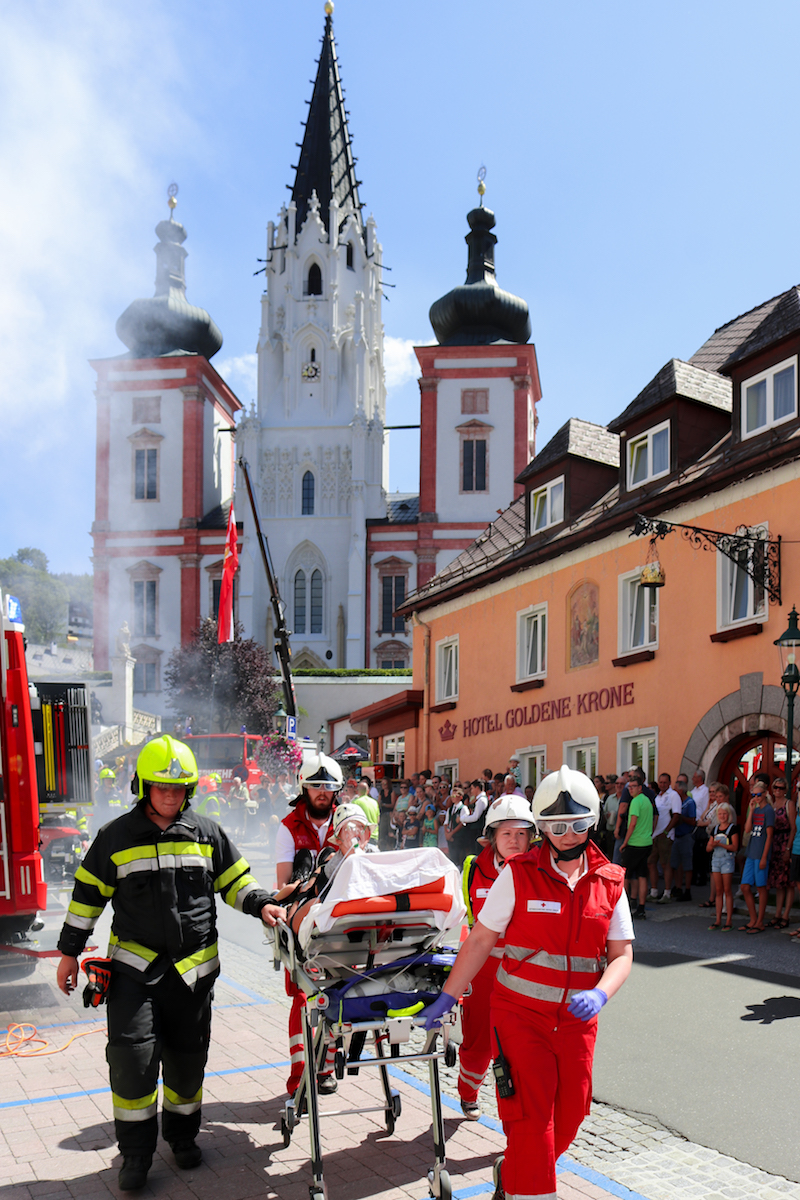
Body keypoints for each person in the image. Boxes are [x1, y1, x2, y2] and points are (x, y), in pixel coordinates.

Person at [55, 736, 284, 1192]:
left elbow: (236, 883)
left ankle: (182, 1139)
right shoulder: (114, 837)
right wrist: (69, 954)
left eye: (179, 789)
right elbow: (86, 900)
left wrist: (262, 905)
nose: (171, 796)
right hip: (133, 974)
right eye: (162, 787)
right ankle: (136, 1157)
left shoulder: (207, 833)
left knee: (187, 1064)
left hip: (193, 975)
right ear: (144, 785)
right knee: (133, 1062)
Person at [420, 765, 633, 1200]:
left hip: (576, 1024)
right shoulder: (517, 874)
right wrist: (448, 996)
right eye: (556, 826)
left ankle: (513, 1172)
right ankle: (528, 1188)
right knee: (532, 1121)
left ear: (592, 821)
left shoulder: (610, 881)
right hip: (520, 1017)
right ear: (543, 827)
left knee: (571, 1117)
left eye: (577, 825)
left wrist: (601, 992)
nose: (568, 834)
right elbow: (480, 939)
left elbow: (622, 955)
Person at [457, 796, 535, 1120]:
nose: (514, 841)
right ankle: (468, 1091)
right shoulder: (474, 868)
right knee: (477, 1042)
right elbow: (471, 919)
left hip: (523, 968)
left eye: (521, 834)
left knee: (519, 1046)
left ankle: (517, 1112)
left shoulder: (540, 868)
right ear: (492, 837)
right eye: (506, 834)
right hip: (484, 967)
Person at [275, 753, 343, 1096]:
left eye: (328, 787)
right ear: (304, 788)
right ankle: (299, 1075)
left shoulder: (347, 822)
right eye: (315, 785)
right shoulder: (288, 827)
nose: (321, 792)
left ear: (337, 792)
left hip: (342, 920)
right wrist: (309, 881)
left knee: (338, 994)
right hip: (303, 924)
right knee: (303, 998)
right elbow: (282, 888)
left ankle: (326, 1067)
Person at [739, 780, 775, 933]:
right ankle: (753, 919)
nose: (756, 797)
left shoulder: (768, 811)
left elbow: (769, 836)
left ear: (765, 793)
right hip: (751, 852)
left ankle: (760, 921)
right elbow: (747, 829)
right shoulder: (757, 810)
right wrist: (751, 810)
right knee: (745, 886)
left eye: (758, 794)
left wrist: (764, 857)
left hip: (761, 854)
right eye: (754, 794)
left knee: (761, 888)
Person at [618, 773, 653, 919]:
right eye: (629, 787)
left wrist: (625, 842)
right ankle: (641, 908)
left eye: (633, 787)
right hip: (646, 843)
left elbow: (632, 823)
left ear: (640, 787)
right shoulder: (647, 801)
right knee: (642, 875)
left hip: (635, 843)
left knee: (625, 875)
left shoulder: (636, 802)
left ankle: (624, 907)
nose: (630, 789)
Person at [659, 773, 695, 902]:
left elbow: (693, 821)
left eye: (676, 790)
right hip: (676, 836)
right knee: (676, 864)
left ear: (681, 790)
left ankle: (688, 890)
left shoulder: (689, 803)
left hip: (685, 836)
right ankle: (678, 887)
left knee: (687, 864)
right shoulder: (673, 799)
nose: (674, 792)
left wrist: (680, 818)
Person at [706, 800, 739, 930]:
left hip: (727, 860)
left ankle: (729, 920)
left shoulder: (733, 828)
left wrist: (720, 844)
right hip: (716, 860)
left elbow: (734, 846)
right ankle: (718, 919)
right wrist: (712, 845)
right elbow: (708, 848)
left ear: (728, 814)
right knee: (718, 891)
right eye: (720, 814)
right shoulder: (715, 829)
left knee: (727, 890)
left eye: (725, 814)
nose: (722, 816)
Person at [648, 773, 681, 900]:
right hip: (654, 835)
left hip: (665, 836)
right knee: (651, 863)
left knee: (665, 864)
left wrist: (666, 832)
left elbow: (676, 816)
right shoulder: (657, 797)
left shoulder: (673, 795)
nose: (662, 784)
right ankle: (654, 891)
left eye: (664, 782)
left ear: (669, 782)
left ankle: (667, 893)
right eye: (660, 782)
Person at [766, 777, 794, 928]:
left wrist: (788, 849)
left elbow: (793, 828)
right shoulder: (771, 804)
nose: (778, 790)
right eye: (776, 787)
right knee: (778, 882)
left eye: (781, 788)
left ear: (786, 790)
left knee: (788, 881)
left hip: (784, 842)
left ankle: (786, 915)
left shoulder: (788, 804)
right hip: (774, 844)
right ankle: (777, 914)